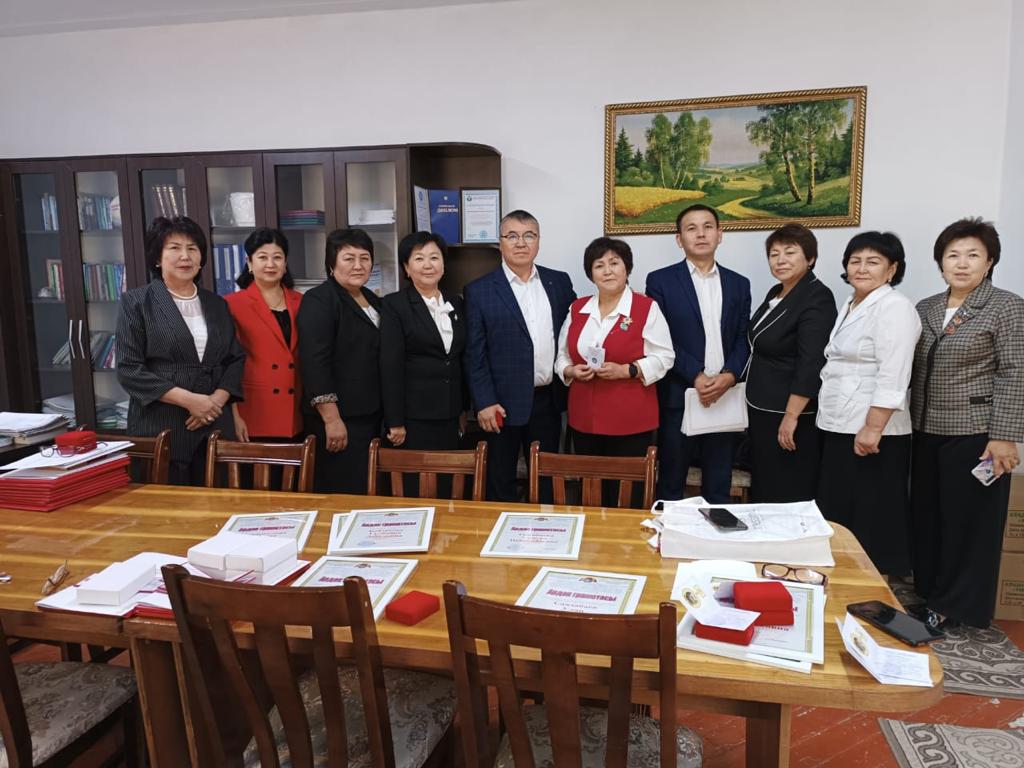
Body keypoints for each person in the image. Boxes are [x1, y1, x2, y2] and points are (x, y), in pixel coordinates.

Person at [909, 218, 1024, 628]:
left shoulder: (1006, 306)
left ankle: (954, 606)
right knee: (928, 517)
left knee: (968, 525)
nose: (961, 263)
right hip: (924, 430)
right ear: (940, 262)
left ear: (989, 262)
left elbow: (1015, 371)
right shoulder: (925, 307)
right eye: (952, 255)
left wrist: (1004, 436)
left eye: (973, 255)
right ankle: (930, 592)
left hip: (976, 434)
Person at [816, 231, 921, 577]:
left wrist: (873, 427)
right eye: (855, 261)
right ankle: (844, 579)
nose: (861, 268)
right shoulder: (851, 303)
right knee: (841, 510)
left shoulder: (894, 307)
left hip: (873, 430)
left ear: (892, 269)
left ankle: (872, 586)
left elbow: (894, 372)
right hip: (841, 422)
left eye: (873, 262)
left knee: (871, 515)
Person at [116, 216, 245, 486]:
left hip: (215, 425)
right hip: (163, 426)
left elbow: (235, 359)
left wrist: (215, 402)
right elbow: (130, 369)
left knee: (220, 501)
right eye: (174, 248)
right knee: (169, 507)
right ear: (157, 258)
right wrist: (190, 401)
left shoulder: (217, 303)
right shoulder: (137, 302)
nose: (185, 256)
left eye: (192, 248)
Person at [464, 210, 576, 502]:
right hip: (500, 404)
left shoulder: (558, 282)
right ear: (500, 242)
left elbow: (576, 330)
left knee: (546, 480)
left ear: (538, 241)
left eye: (529, 235)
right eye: (512, 236)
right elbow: (475, 354)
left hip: (548, 401)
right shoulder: (479, 291)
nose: (521, 243)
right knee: (500, 479)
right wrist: (484, 402)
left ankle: (545, 529)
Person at [555, 237, 674, 505]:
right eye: (599, 265)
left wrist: (628, 370)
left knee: (626, 496)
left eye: (614, 263)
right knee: (590, 493)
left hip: (630, 419)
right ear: (591, 273)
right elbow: (561, 356)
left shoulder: (646, 308)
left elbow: (665, 357)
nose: (607, 271)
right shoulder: (578, 308)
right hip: (584, 419)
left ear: (626, 268)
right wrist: (571, 370)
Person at [645, 204, 751, 503]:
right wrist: (696, 375)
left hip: (725, 396)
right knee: (671, 486)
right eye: (691, 228)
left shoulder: (739, 283)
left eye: (708, 226)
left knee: (719, 486)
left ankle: (716, 534)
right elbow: (660, 339)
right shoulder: (660, 281)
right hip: (680, 395)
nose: (700, 234)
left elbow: (743, 337)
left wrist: (730, 376)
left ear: (720, 234)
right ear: (679, 239)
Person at [745, 224, 837, 502]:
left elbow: (811, 362)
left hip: (790, 412)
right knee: (766, 482)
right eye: (774, 254)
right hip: (763, 407)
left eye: (790, 252)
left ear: (810, 258)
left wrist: (791, 416)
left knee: (786, 487)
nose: (780, 260)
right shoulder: (777, 292)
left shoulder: (817, 296)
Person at [297, 228, 382, 494]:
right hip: (339, 420)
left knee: (368, 490)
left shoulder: (374, 300)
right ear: (331, 263)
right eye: (349, 258)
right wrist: (332, 419)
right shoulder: (319, 300)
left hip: (370, 415)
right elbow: (315, 361)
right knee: (343, 492)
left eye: (364, 258)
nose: (358, 265)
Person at [380, 231, 467, 453]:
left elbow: (459, 359)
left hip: (451, 414)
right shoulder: (394, 305)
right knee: (417, 474)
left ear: (444, 265)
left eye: (434, 257)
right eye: (419, 258)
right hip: (414, 417)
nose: (428, 265)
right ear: (407, 268)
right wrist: (395, 421)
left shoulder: (456, 302)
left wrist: (462, 409)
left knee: (449, 473)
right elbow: (390, 366)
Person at [224, 228, 303, 442]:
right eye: (262, 257)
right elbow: (227, 363)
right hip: (254, 411)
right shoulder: (231, 304)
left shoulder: (302, 302)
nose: (270, 264)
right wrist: (235, 416)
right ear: (249, 262)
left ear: (285, 263)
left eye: (277, 257)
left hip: (297, 412)